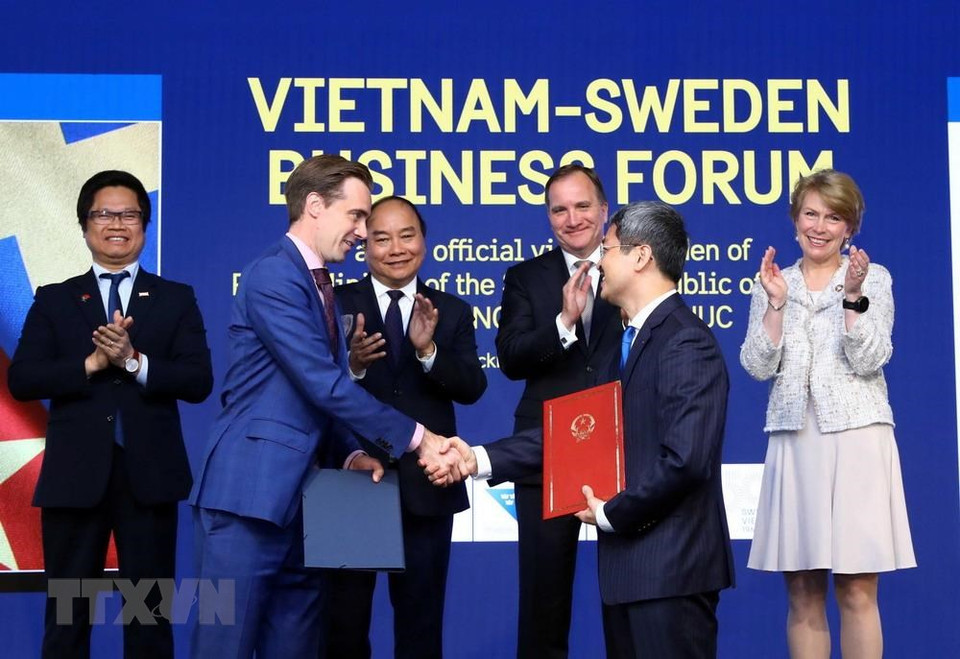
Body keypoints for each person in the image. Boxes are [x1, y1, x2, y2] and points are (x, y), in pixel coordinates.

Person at [188, 155, 463, 659]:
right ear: (314, 205)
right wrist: (419, 439)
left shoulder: (322, 289)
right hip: (249, 498)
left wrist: (351, 455)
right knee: (222, 648)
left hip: (308, 506)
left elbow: (323, 392)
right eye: (356, 216)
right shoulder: (274, 275)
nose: (363, 231)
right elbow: (322, 385)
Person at [438, 201, 736, 658]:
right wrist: (477, 458)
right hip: (629, 571)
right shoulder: (630, 340)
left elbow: (686, 460)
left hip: (670, 571)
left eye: (609, 249)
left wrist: (612, 512)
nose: (599, 261)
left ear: (641, 257)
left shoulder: (684, 340)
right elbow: (578, 433)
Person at [8, 170, 214, 659]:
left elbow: (197, 381)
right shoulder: (56, 298)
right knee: (67, 619)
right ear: (84, 225)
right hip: (75, 479)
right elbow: (23, 380)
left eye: (129, 214)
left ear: (145, 225)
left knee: (148, 618)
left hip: (149, 478)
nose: (116, 224)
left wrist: (133, 362)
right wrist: (92, 364)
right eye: (104, 213)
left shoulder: (175, 298)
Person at [740, 169, 916, 658]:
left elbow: (870, 358)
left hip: (858, 439)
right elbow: (756, 366)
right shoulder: (775, 281)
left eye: (833, 217)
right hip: (795, 440)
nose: (819, 227)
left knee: (858, 589)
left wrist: (853, 299)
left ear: (850, 228)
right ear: (795, 220)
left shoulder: (872, 278)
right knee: (802, 590)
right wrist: (775, 306)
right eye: (811, 214)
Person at [323, 196, 487, 658]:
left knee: (420, 626)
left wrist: (428, 350)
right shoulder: (337, 303)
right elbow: (315, 385)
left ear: (424, 240)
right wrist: (351, 365)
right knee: (342, 625)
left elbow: (472, 387)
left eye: (406, 235)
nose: (395, 248)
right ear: (364, 245)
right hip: (351, 479)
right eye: (381, 237)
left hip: (425, 484)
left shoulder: (450, 311)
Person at [494, 163, 621, 658]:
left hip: (620, 443)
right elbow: (511, 357)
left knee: (630, 593)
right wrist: (564, 321)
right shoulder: (525, 277)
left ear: (604, 209)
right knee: (544, 598)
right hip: (546, 452)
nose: (572, 219)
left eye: (582, 206)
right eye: (559, 210)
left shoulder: (633, 265)